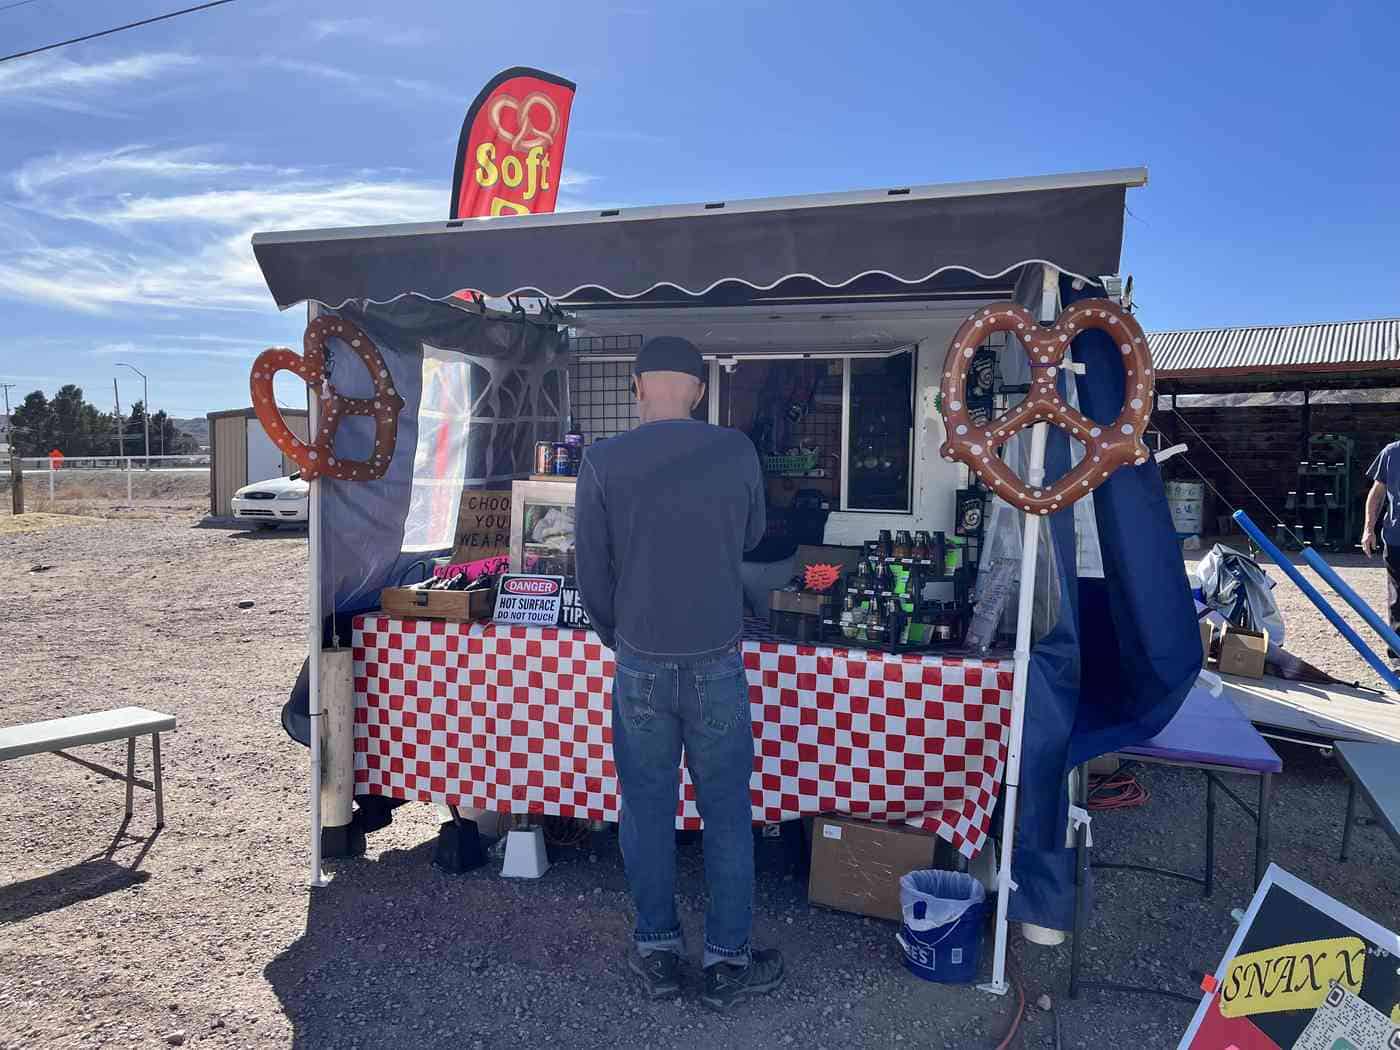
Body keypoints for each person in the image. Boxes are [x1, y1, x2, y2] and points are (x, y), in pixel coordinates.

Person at [574, 336, 784, 1011]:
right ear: (697, 390)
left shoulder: (602, 460)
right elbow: (753, 538)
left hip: (638, 660)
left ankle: (659, 952)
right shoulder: (735, 451)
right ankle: (727, 961)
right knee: (726, 813)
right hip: (716, 658)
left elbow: (590, 570)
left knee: (646, 810)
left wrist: (621, 638)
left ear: (637, 387)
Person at [1362, 439, 1400, 662]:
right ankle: (1397, 659)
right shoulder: (1392, 452)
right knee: (1398, 603)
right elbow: (1377, 493)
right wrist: (1368, 529)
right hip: (1396, 539)